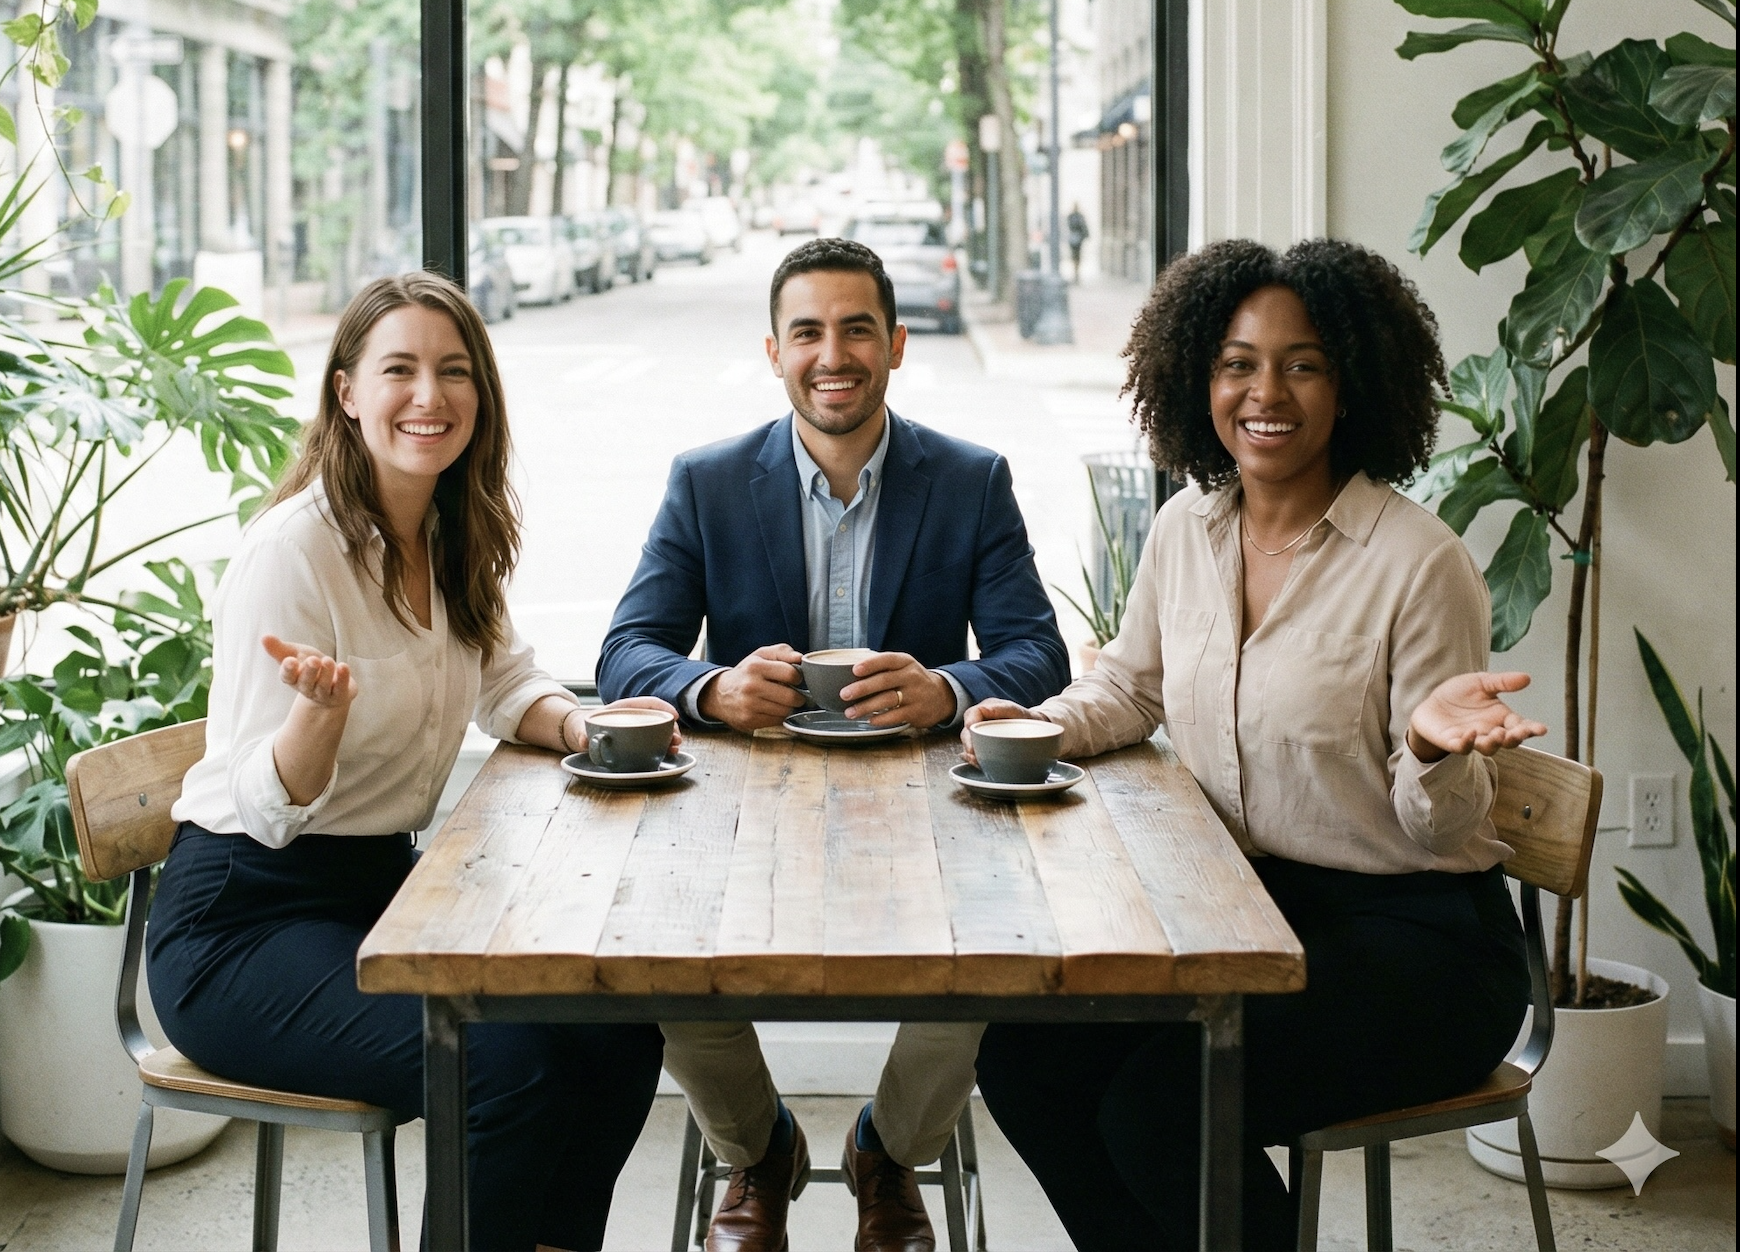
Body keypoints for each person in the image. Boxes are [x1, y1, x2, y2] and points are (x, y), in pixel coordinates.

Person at [961, 238, 1545, 1250]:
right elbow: (1129, 686)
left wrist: (1430, 748)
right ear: (1199, 380)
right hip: (1254, 918)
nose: (1265, 392)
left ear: (1350, 384)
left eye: (1302, 364)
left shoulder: (1419, 563)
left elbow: (1440, 827)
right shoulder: (1186, 528)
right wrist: (1035, 726)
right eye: (1238, 363)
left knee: (1163, 1109)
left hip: (1421, 942)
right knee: (1025, 1061)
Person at [147, 274, 671, 1252]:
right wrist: (317, 717)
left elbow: (505, 680)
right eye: (400, 370)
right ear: (347, 392)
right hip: (241, 923)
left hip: (380, 897)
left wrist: (588, 729)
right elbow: (263, 805)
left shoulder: (451, 531)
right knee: (501, 1067)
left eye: (453, 371)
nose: (429, 396)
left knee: (614, 1031)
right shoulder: (292, 552)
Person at [597, 237, 1070, 1252]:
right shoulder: (708, 481)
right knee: (653, 951)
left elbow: (1038, 651)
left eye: (857, 329)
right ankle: (756, 1147)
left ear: (895, 344)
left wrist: (946, 689)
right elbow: (625, 652)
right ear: (774, 351)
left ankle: (886, 1152)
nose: (833, 354)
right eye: (807, 332)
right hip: (742, 815)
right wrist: (712, 687)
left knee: (1002, 953)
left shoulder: (971, 479)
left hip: (930, 813)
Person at [1066, 204, 1089, 283]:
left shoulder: (1076, 216)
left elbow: (1084, 227)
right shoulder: (1073, 216)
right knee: (1075, 256)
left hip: (1077, 239)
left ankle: (1076, 272)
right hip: (1075, 239)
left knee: (1076, 256)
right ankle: (1075, 271)